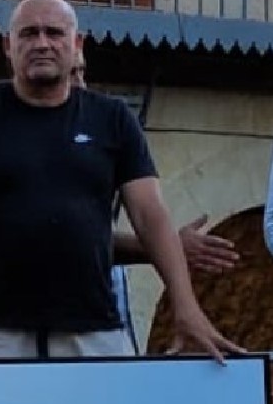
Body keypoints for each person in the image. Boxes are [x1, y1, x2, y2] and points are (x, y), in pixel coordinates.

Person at [0, 0, 242, 363]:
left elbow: (151, 216)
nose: (42, 44)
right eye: (29, 34)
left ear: (76, 43)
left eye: (54, 33)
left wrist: (186, 307)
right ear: (8, 45)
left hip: (94, 331)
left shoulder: (114, 120)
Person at [66, 53, 239, 352]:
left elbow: (141, 216)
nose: (80, 85)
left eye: (81, 72)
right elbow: (67, 239)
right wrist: (166, 246)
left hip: (105, 309)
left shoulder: (105, 131)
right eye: (70, 75)